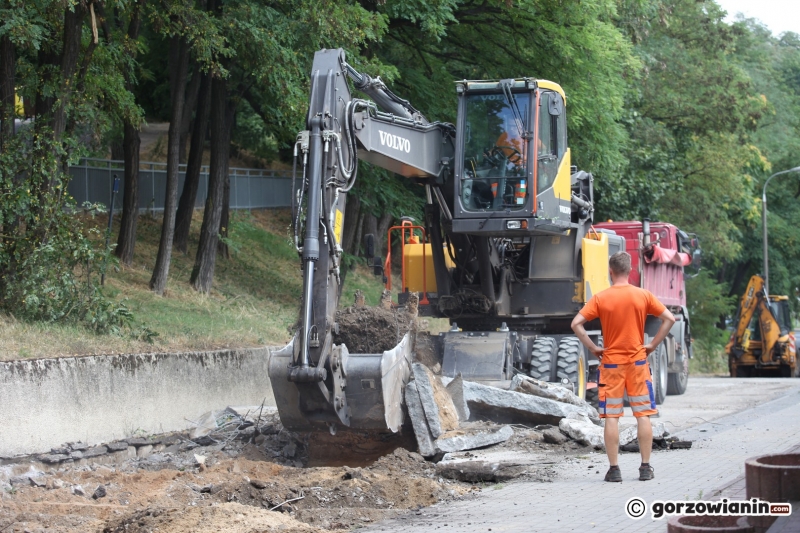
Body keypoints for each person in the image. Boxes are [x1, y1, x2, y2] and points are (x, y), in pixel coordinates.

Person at [570, 251, 676, 482]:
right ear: (630, 271)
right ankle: (645, 468)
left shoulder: (600, 298)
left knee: (611, 417)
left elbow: (576, 323)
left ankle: (614, 469)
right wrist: (652, 345)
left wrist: (593, 348)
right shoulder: (643, 295)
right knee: (643, 415)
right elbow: (670, 318)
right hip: (638, 363)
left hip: (611, 365)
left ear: (611, 271)